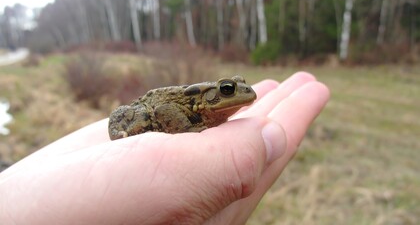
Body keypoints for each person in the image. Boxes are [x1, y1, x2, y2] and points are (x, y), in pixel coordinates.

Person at [0, 72, 329, 224]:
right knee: (139, 115)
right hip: (149, 105)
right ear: (211, 95)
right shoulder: (191, 104)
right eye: (229, 90)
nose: (239, 92)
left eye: (237, 87)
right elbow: (162, 111)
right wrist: (192, 129)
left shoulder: (212, 110)